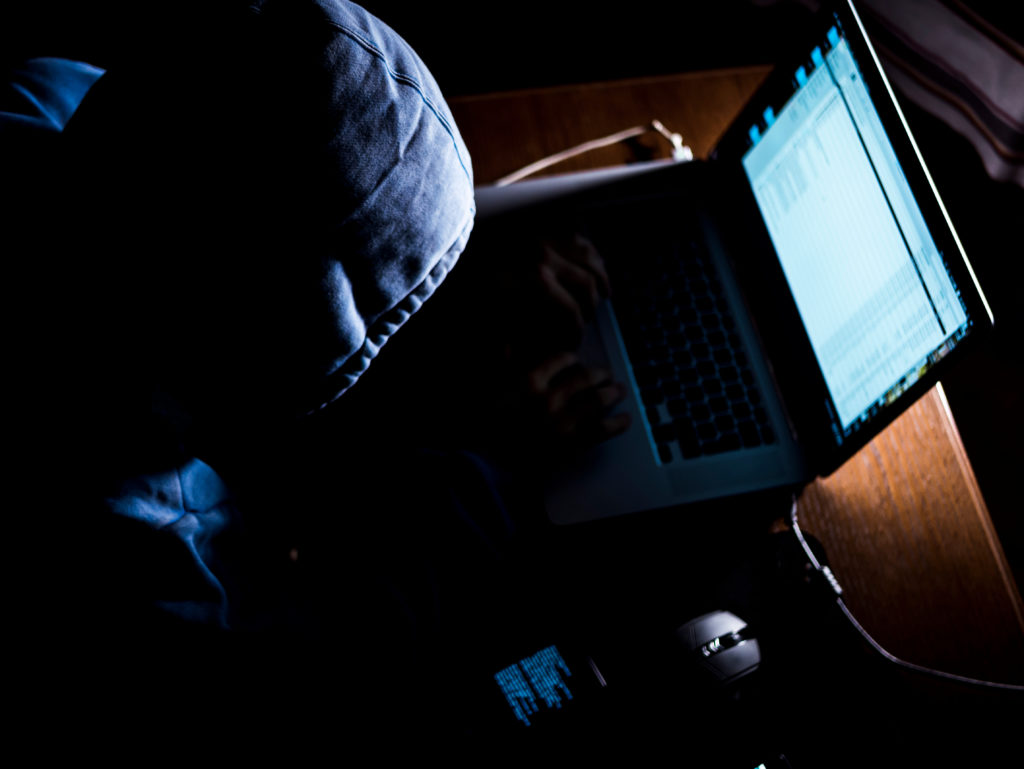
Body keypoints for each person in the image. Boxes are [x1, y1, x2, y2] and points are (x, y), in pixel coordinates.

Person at [6, 0, 632, 748]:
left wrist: (452, 277)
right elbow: (346, 646)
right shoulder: (156, 550)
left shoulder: (40, 103)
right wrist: (495, 462)